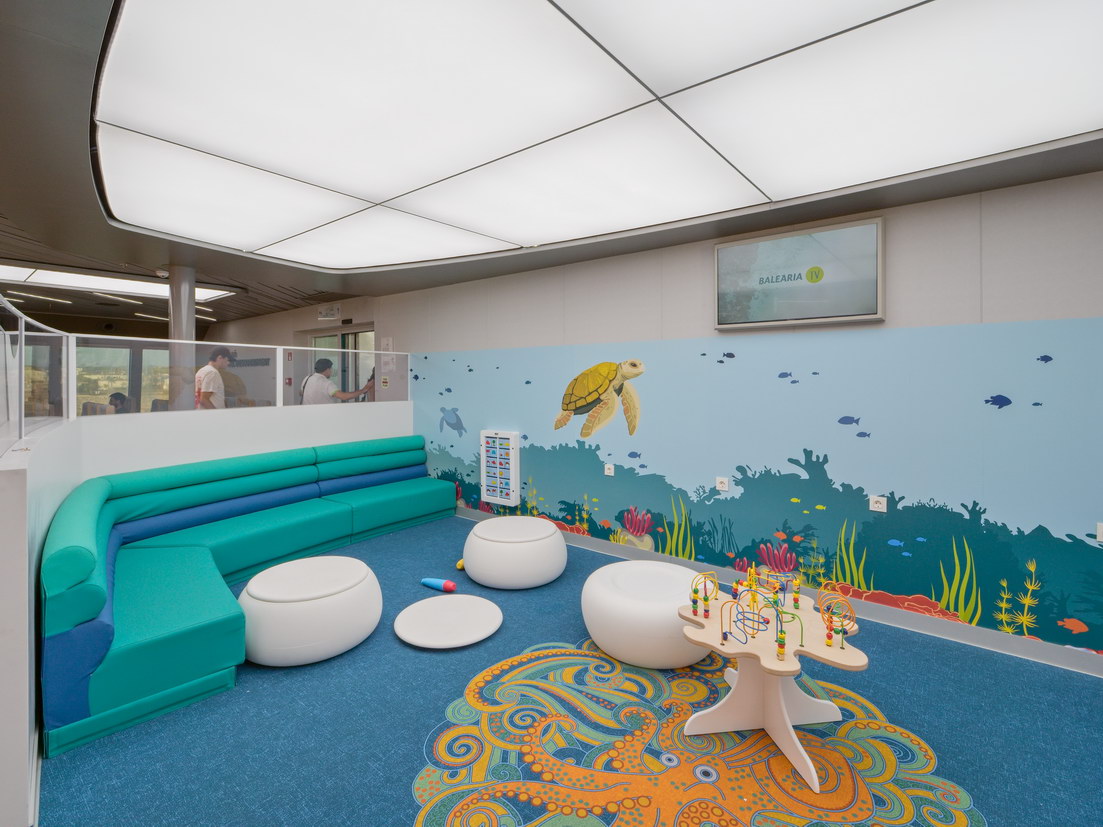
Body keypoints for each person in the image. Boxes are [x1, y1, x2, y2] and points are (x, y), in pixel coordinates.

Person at [301, 358, 373, 404]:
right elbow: (344, 397)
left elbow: (302, 393)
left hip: (308, 415)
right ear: (327, 369)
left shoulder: (307, 378)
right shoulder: (327, 383)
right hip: (323, 416)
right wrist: (364, 389)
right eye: (331, 369)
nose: (331, 371)